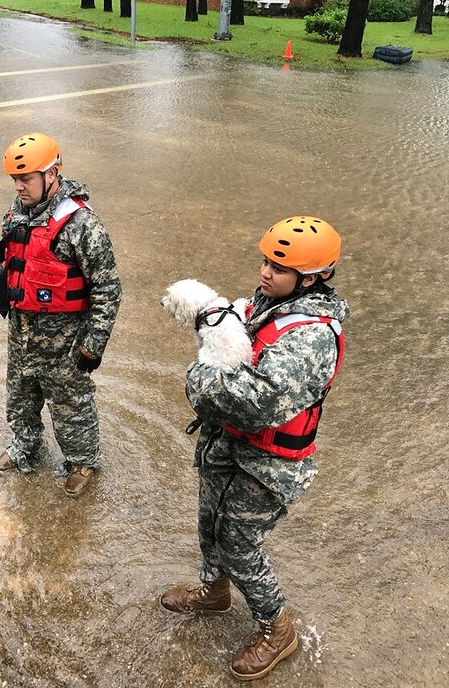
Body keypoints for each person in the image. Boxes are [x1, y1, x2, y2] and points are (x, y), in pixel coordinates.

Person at [160, 216, 349, 681]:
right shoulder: (271, 303)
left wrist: (198, 378)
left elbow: (256, 402)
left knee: (239, 542)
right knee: (210, 520)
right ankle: (215, 591)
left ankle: (276, 628)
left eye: (279, 268)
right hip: (228, 445)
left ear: (312, 278)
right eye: (265, 260)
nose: (265, 272)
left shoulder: (312, 336)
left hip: (270, 464)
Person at [0, 133, 121, 497]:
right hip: (21, 332)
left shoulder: (82, 225)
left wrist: (93, 343)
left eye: (26, 178)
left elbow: (107, 288)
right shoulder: (16, 215)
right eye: (15, 179)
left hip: (65, 341)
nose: (19, 186)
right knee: (20, 396)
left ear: (53, 174)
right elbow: (4, 264)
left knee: (70, 404)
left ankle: (81, 460)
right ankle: (27, 448)